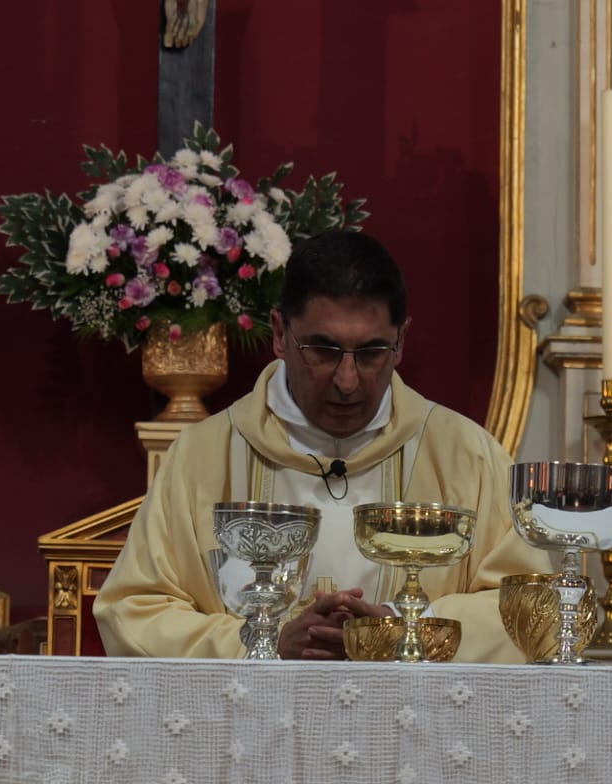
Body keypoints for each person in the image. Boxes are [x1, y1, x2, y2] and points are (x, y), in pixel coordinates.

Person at [94, 230, 547, 661]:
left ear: (401, 342)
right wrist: (262, 642)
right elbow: (132, 612)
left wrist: (403, 629)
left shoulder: (466, 456)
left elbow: (532, 608)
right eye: (323, 350)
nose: (347, 382)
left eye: (371, 353)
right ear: (278, 333)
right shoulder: (201, 457)